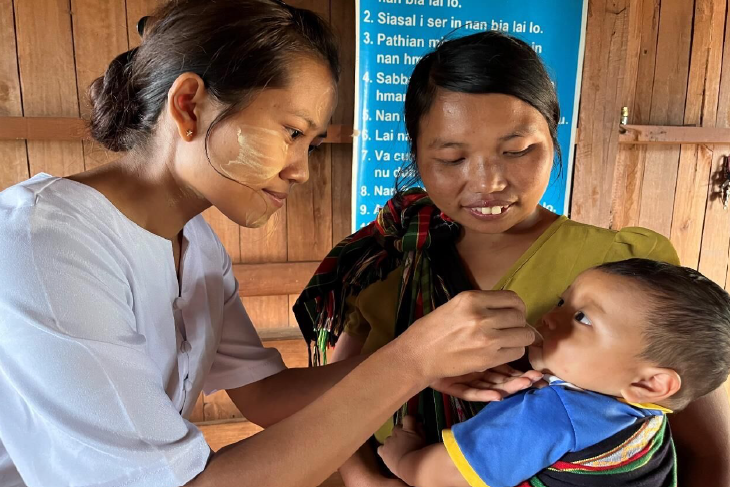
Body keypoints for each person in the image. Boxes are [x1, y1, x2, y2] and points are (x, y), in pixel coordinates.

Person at [0, 3, 539, 487]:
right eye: (291, 132)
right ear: (189, 106)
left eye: (312, 144)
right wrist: (410, 361)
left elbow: (265, 395)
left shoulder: (198, 246)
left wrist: (424, 366)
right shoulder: (43, 245)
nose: (301, 170)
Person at [295, 31, 730, 487]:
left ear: (553, 136)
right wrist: (364, 479)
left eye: (517, 151)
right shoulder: (387, 259)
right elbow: (336, 401)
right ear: (417, 155)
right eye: (452, 157)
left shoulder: (628, 268)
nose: (488, 182)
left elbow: (712, 453)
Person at [376, 258, 730, 487]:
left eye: (583, 318)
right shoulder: (647, 418)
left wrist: (403, 458)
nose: (548, 316)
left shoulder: (556, 414)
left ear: (650, 383)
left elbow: (448, 476)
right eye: (563, 302)